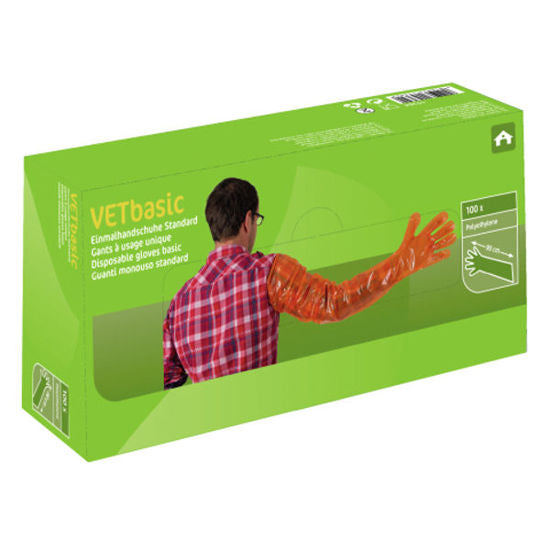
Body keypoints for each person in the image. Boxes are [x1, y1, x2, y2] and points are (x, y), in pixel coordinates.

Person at [163, 177, 456, 388]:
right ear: (247, 221)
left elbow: (170, 386)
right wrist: (403, 262)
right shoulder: (267, 273)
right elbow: (334, 303)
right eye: (257, 220)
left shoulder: (178, 305)